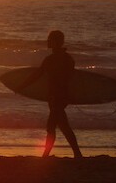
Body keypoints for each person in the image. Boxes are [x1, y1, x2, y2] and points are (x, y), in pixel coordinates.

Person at [17, 30, 83, 158]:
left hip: (57, 97)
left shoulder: (54, 59)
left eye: (50, 39)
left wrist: (22, 86)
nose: (47, 41)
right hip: (59, 97)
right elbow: (40, 75)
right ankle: (77, 154)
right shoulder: (66, 59)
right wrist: (22, 86)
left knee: (52, 127)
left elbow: (38, 75)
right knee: (63, 126)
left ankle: (46, 155)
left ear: (57, 42)